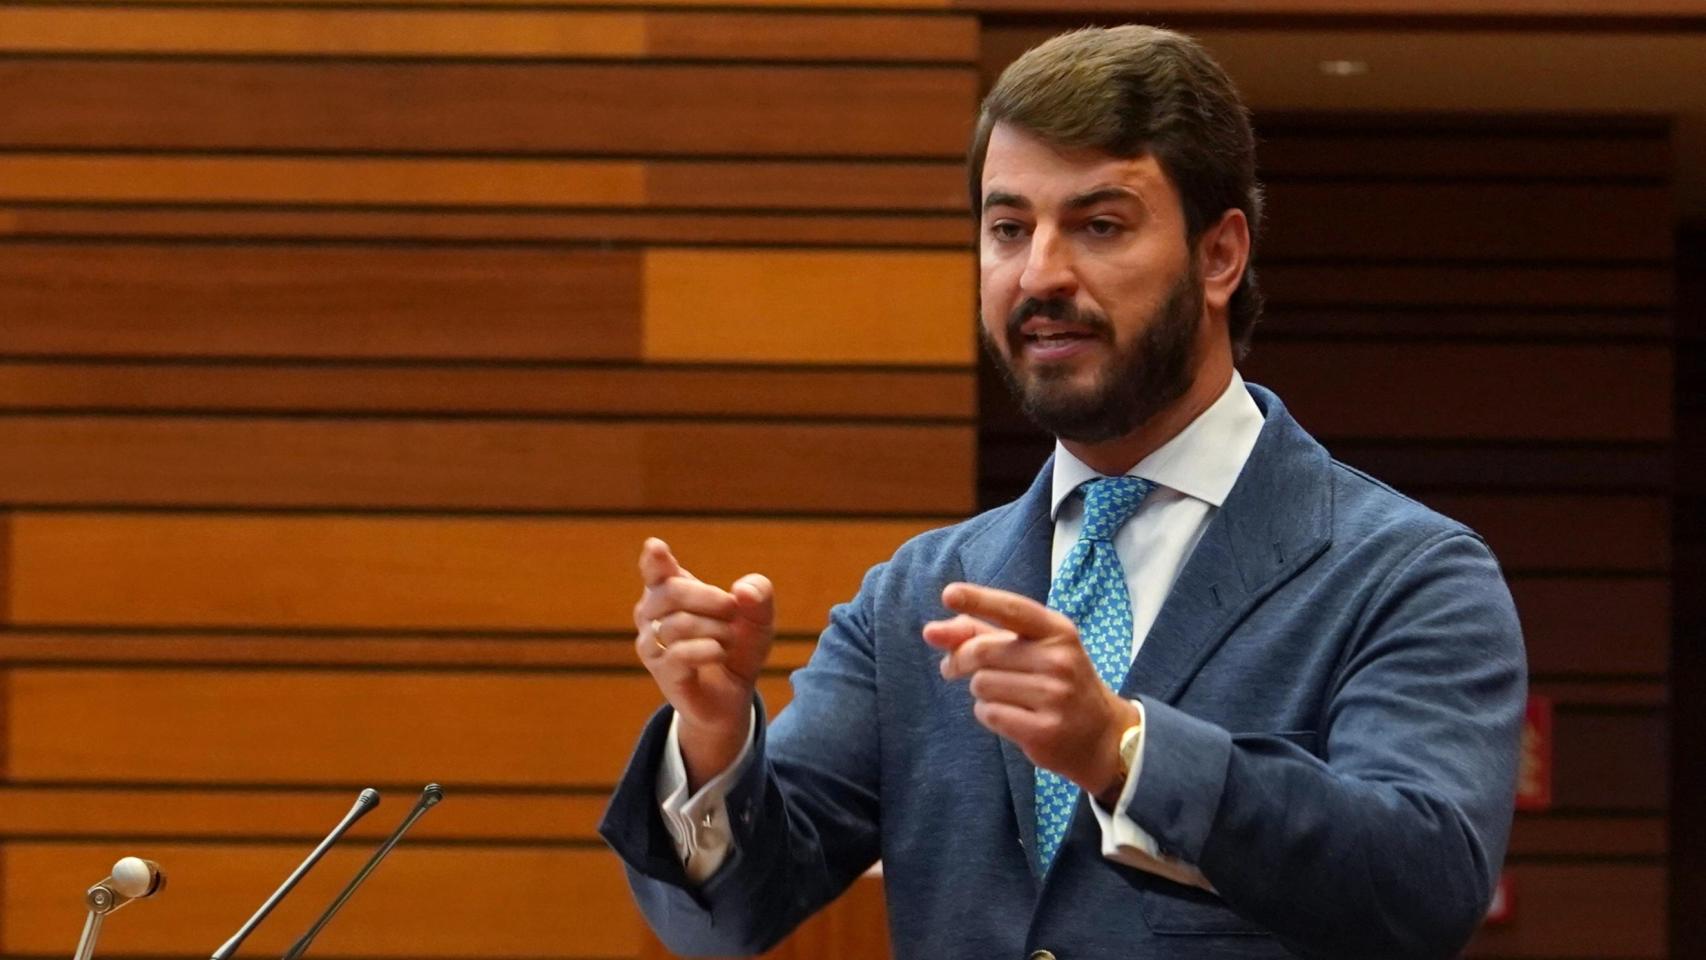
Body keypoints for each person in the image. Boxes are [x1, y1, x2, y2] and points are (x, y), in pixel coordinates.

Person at [600, 24, 1525, 960]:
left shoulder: (1405, 574)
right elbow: (727, 921)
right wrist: (714, 738)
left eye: (1099, 225)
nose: (1039, 274)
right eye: (1008, 229)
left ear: (1220, 257)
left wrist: (1126, 753)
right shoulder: (915, 597)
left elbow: (1425, 887)